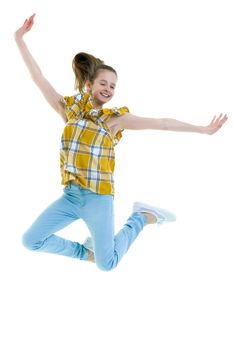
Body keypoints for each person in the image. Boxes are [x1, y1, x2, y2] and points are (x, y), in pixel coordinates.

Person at [14, 14, 228, 271]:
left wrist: (202, 129)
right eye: (103, 83)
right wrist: (19, 38)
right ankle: (88, 253)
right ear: (90, 84)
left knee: (108, 265)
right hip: (70, 197)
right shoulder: (68, 110)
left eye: (113, 86)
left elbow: (162, 123)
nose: (108, 89)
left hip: (98, 199)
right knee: (31, 240)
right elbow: (38, 77)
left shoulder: (114, 120)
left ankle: (140, 217)